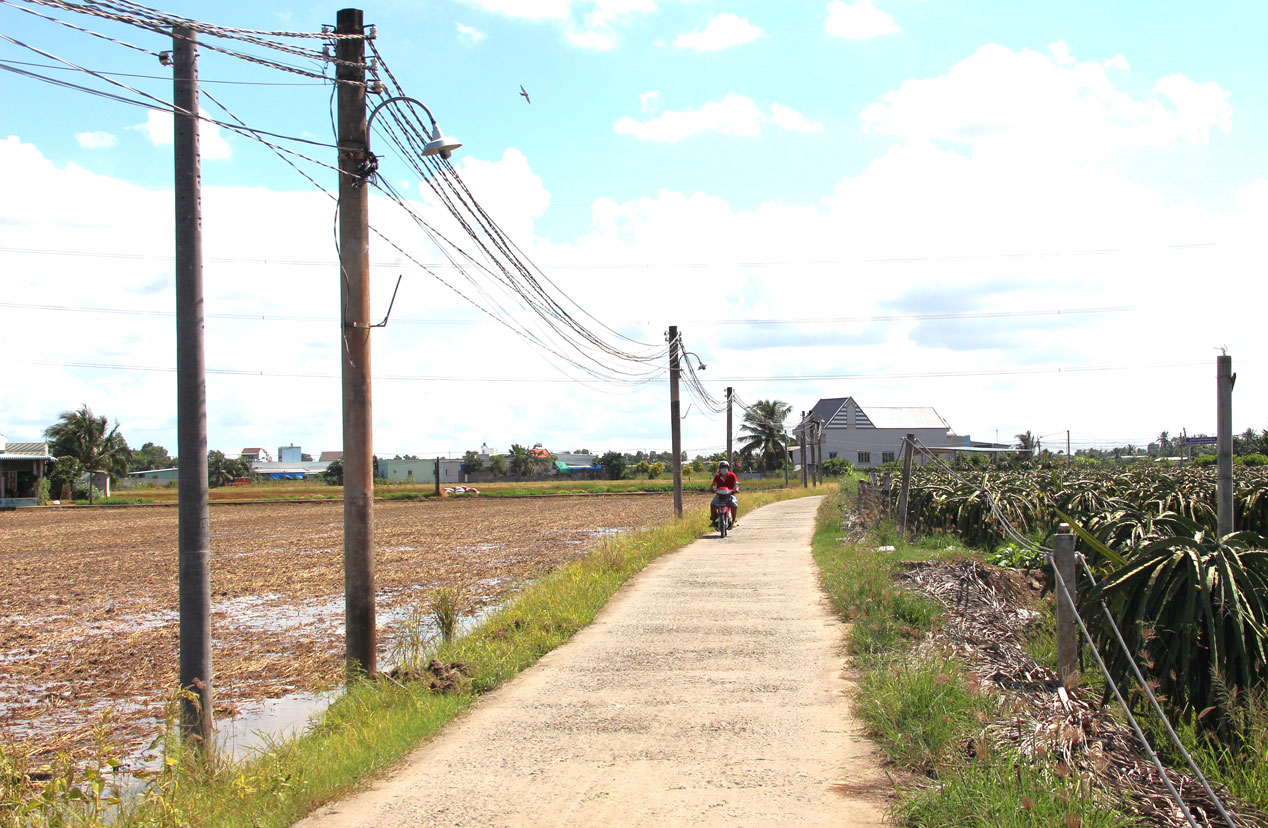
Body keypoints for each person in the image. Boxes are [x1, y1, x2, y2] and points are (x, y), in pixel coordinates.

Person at [710, 460, 740, 527]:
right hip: (719, 495)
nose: (724, 469)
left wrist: (736, 489)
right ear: (720, 468)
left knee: (734, 505)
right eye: (722, 467)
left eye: (725, 467)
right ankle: (713, 521)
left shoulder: (732, 475)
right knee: (712, 505)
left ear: (728, 468)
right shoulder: (717, 476)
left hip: (730, 495)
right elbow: (713, 484)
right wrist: (712, 488)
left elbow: (736, 484)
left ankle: (733, 522)